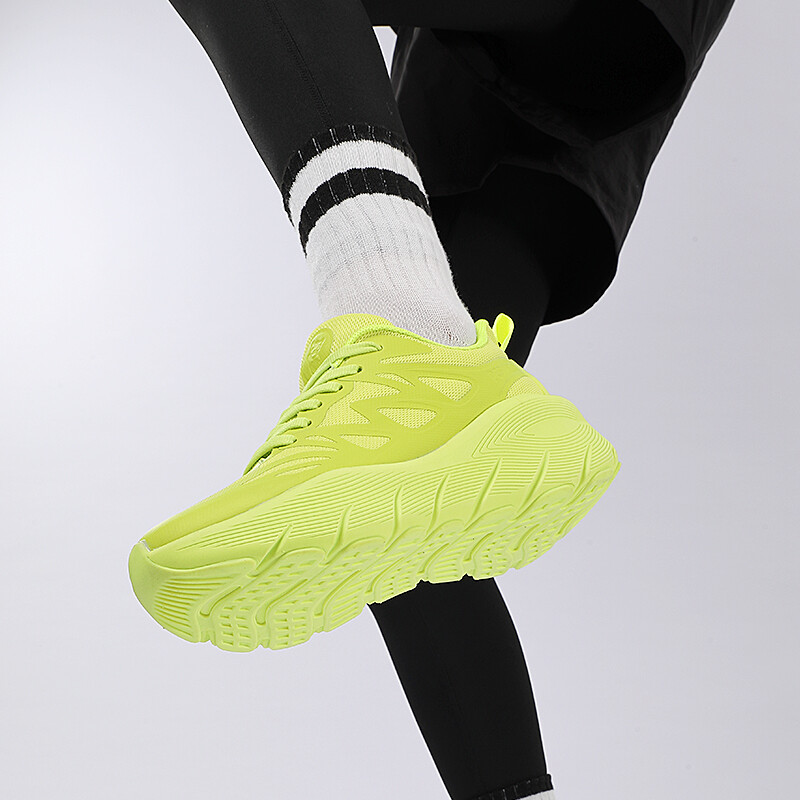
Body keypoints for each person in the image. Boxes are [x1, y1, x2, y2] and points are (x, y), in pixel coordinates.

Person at [126, 2, 736, 798]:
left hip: (586, 43)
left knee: (406, 441)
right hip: (482, 131)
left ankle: (408, 336)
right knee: (402, 514)